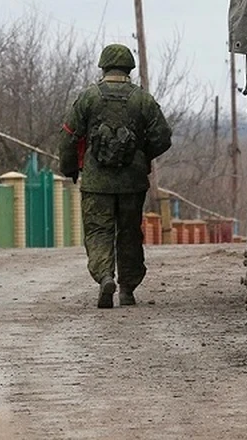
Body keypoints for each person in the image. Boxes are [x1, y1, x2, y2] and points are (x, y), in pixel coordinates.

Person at [59, 43, 172, 308]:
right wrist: (141, 155)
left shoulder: (88, 97)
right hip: (132, 182)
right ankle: (127, 288)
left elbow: (68, 136)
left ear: (103, 66)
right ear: (129, 68)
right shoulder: (141, 99)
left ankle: (105, 276)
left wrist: (70, 168)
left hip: (96, 183)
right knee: (129, 232)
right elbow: (163, 137)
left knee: (99, 231)